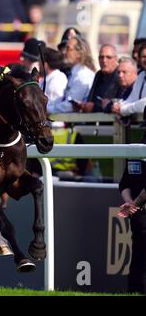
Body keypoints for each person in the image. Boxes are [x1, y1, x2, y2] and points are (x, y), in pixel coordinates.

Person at [117, 114, 146, 294]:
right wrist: (133, 203)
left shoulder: (135, 149)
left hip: (137, 215)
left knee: (137, 263)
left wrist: (130, 202)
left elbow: (124, 183)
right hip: (139, 211)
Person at [47, 36, 96, 114]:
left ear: (79, 53)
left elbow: (70, 105)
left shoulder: (83, 76)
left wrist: (47, 110)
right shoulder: (75, 73)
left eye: (68, 49)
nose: (64, 52)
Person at [78, 44, 120, 113]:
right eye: (101, 57)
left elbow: (119, 103)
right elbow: (91, 99)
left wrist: (94, 107)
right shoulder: (99, 75)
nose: (104, 60)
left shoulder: (120, 75)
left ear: (116, 59)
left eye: (108, 57)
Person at [112, 43, 146, 116]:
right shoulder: (141, 76)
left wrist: (123, 109)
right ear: (139, 59)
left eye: (124, 72)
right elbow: (132, 98)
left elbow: (144, 104)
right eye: (143, 56)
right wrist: (118, 105)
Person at [43, 47, 68, 112]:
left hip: (54, 120)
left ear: (45, 64)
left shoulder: (58, 78)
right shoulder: (46, 78)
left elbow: (54, 102)